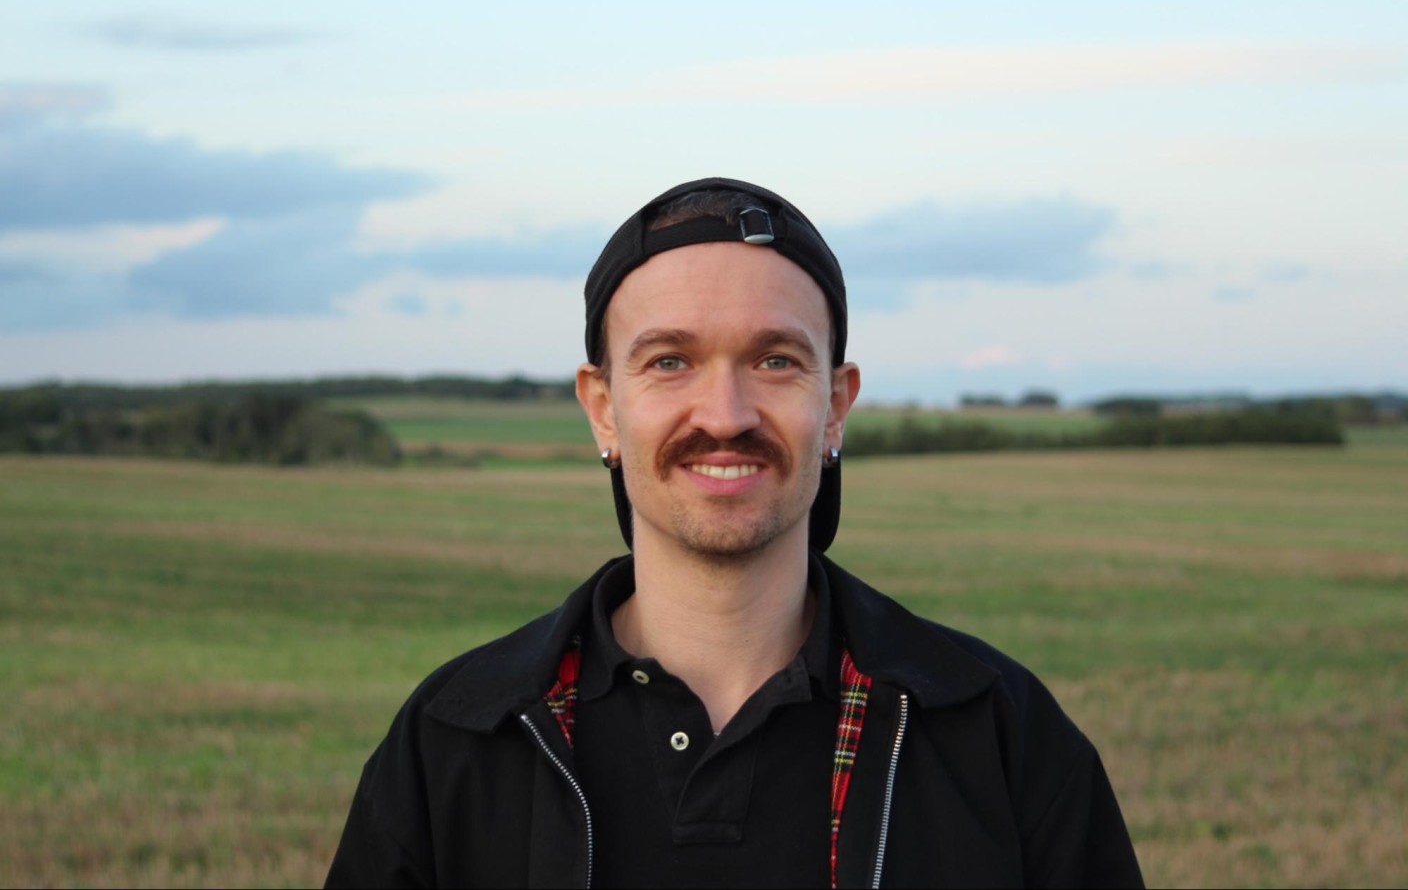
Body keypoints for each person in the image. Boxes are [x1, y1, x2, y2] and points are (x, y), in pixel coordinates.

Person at [326, 177, 1143, 888]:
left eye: (776, 360)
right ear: (603, 407)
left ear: (837, 405)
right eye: (670, 361)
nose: (725, 415)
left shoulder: (999, 732)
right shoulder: (457, 738)